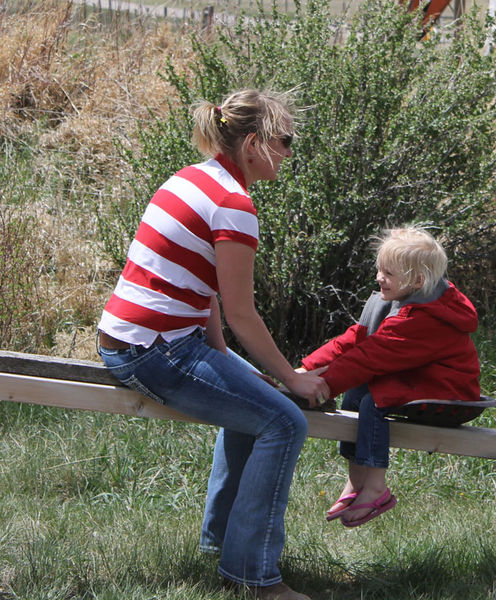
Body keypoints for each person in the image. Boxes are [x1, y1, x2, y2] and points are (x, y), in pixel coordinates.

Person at [97, 89, 330, 600]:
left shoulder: (194, 177)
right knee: (284, 421)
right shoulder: (234, 204)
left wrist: (223, 358)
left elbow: (200, 288)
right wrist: (290, 377)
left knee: (256, 403)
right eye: (285, 140)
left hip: (131, 340)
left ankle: (222, 545)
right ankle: (253, 577)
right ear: (253, 143)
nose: (290, 151)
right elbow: (243, 312)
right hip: (155, 351)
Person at [299, 226, 481, 527]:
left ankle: (376, 487)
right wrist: (306, 370)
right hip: (422, 379)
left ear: (417, 280)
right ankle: (357, 481)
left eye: (388, 273)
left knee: (375, 401)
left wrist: (322, 386)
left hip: (449, 393)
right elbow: (355, 340)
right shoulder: (403, 300)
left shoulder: (422, 319)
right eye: (379, 270)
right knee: (357, 390)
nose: (378, 278)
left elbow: (369, 357)